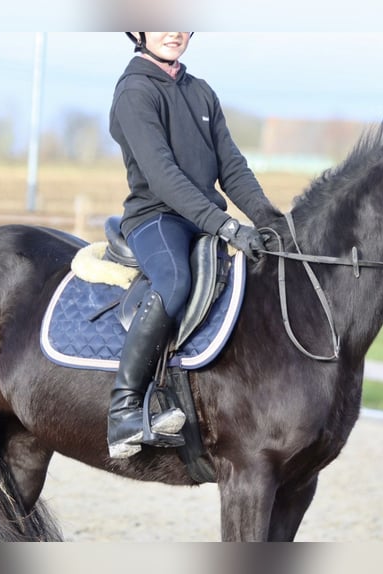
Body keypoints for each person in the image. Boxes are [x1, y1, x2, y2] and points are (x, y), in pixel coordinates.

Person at [107, 32, 281, 459]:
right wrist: (224, 224)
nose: (174, 31)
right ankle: (124, 408)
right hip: (157, 218)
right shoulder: (134, 91)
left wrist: (270, 220)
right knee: (173, 280)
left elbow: (232, 168)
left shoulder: (201, 91)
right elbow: (163, 176)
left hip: (203, 220)